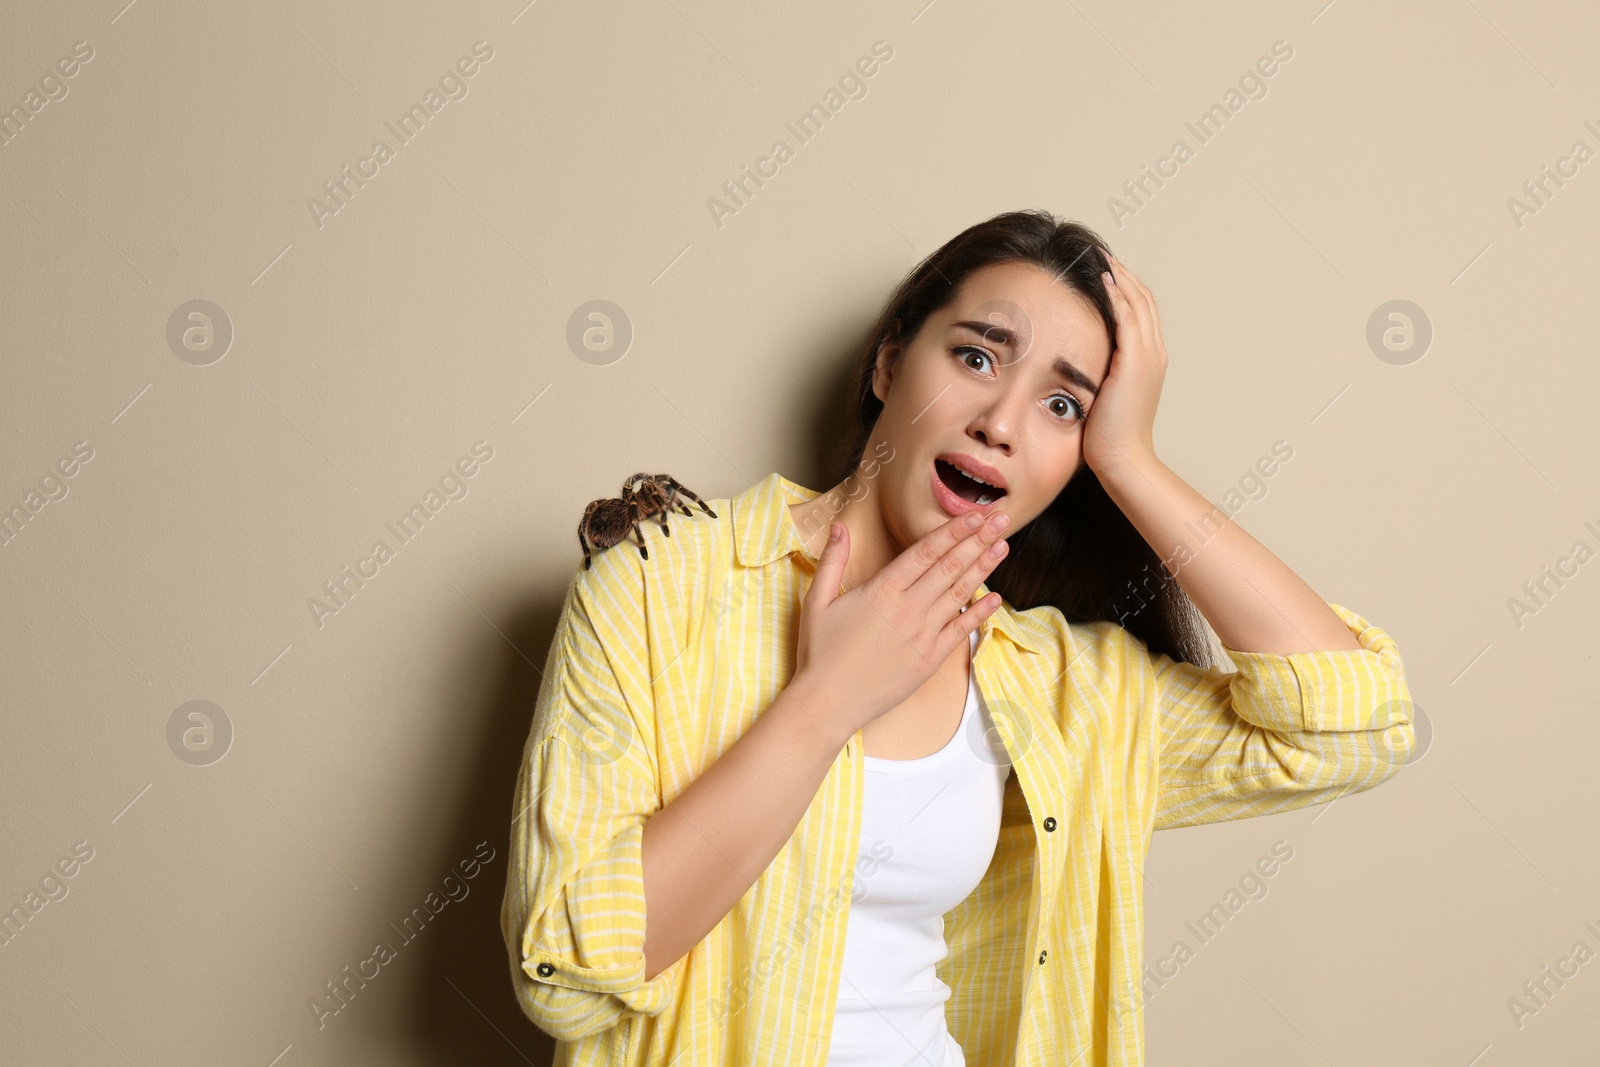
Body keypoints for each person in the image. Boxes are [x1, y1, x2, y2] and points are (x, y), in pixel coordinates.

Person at [500, 209, 1417, 1066]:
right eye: (978, 356)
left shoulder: (1061, 686)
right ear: (890, 366)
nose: (1003, 422)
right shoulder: (663, 589)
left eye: (1065, 406)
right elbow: (568, 972)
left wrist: (1133, 458)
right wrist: (824, 705)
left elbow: (1354, 727)